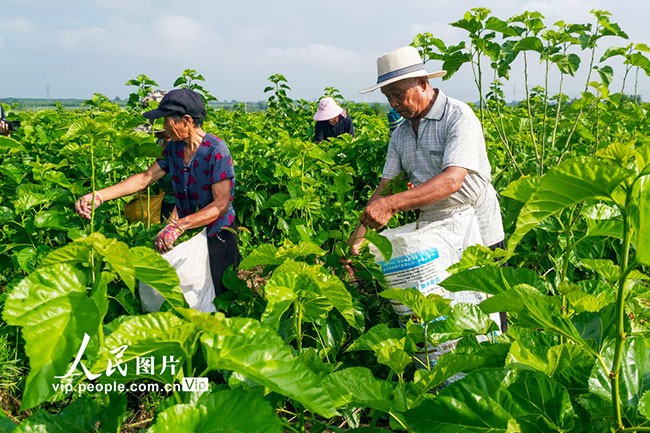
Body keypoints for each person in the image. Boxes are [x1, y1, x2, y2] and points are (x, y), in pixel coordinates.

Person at [75, 88, 241, 298]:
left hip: (218, 233)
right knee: (187, 288)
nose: (163, 128)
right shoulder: (174, 149)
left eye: (167, 121)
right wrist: (98, 196)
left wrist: (178, 226)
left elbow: (221, 205)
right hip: (187, 231)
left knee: (220, 290)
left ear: (187, 121)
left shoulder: (216, 150)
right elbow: (145, 178)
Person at [349, 45, 504, 254]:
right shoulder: (401, 134)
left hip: (475, 223)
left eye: (398, 94)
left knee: (481, 282)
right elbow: (387, 187)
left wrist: (391, 205)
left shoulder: (457, 117)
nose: (393, 103)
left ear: (422, 84)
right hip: (434, 227)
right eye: (388, 97)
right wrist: (356, 240)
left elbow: (452, 181)